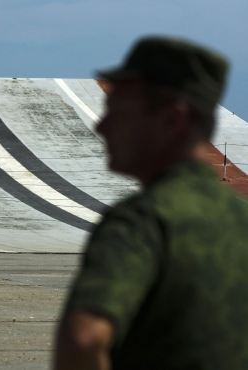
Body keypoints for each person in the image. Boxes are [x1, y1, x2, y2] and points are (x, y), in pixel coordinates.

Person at [53, 36, 248, 370]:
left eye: (120, 112)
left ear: (172, 119)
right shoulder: (240, 218)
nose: (102, 126)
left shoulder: (143, 222)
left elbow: (84, 338)